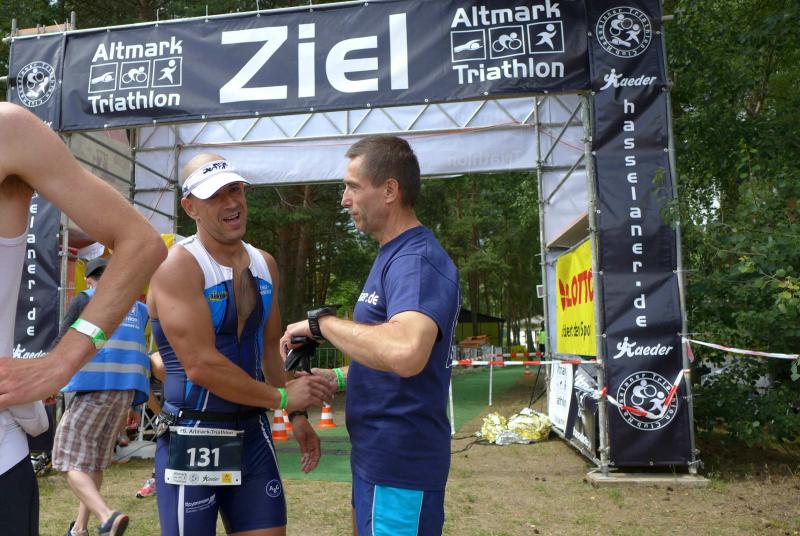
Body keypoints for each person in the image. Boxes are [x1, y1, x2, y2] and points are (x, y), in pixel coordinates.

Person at [147, 153, 336, 536]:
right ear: (190, 207)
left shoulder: (264, 264)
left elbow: (269, 352)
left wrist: (297, 416)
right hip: (194, 433)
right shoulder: (178, 266)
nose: (231, 202)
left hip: (251, 433)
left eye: (235, 189)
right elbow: (201, 366)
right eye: (215, 195)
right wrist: (282, 398)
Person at [281, 135, 461, 536]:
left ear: (390, 190)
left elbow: (406, 351)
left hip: (400, 462)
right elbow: (391, 349)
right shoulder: (392, 254)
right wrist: (340, 377)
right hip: (377, 457)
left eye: (353, 187)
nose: (344, 199)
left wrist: (322, 324)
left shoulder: (415, 260)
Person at [0, 103, 166, 536]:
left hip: (9, 455)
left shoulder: (7, 129)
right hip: (117, 392)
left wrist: (59, 364)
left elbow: (142, 244)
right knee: (86, 459)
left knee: (77, 457)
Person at [52, 256, 151, 536]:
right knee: (93, 462)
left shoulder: (87, 298)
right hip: (126, 392)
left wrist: (44, 376)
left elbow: (63, 340)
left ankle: (107, 517)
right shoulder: (139, 308)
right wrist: (136, 405)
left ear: (90, 280)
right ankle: (79, 528)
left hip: (95, 387)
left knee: (65, 457)